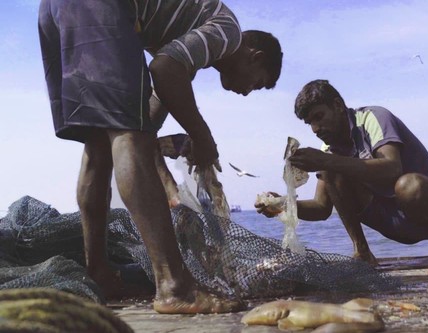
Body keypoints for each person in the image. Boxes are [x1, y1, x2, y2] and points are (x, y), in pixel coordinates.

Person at [38, 0, 282, 313]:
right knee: (127, 135)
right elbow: (162, 71)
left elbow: (146, 118)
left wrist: (176, 143)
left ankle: (99, 273)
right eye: (257, 82)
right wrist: (203, 138)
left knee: (100, 145)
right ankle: (174, 286)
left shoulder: (187, 49)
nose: (248, 91)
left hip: (54, 9)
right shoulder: (228, 31)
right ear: (255, 56)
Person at [256, 80, 428, 275]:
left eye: (319, 117)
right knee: (332, 169)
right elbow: (321, 207)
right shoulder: (328, 149)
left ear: (337, 105)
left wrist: (324, 161)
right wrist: (282, 203)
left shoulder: (374, 118)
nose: (315, 129)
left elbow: (392, 168)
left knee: (409, 185)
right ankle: (362, 251)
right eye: (309, 123)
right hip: (393, 223)